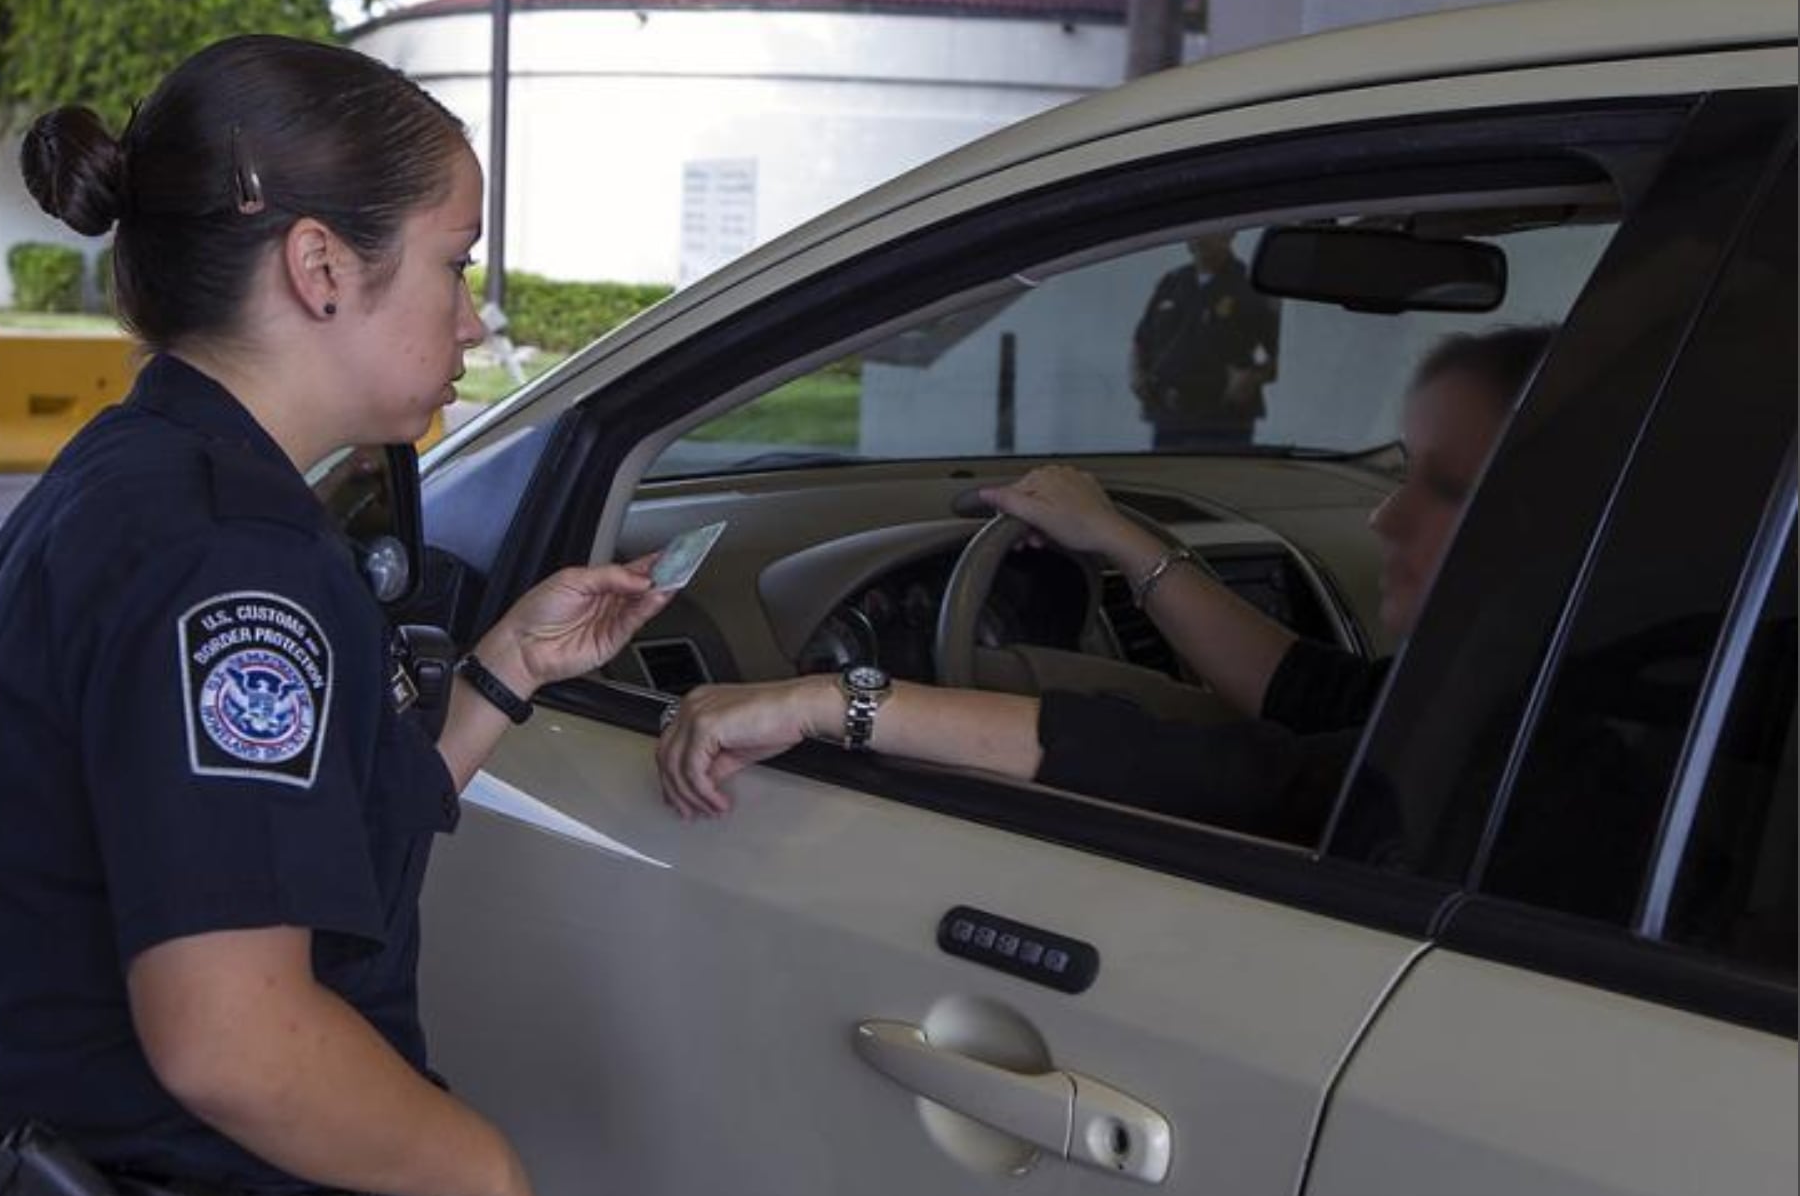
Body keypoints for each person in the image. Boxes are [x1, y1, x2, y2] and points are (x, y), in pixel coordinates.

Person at [0, 36, 673, 1196]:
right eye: (456, 260)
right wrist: (480, 1164)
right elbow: (236, 1042)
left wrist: (500, 673)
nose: (474, 316)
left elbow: (268, 824)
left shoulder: (142, 476)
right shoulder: (229, 557)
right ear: (321, 266)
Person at [655, 326, 1553, 844]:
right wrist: (1121, 538)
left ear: (1568, 524)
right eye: (1400, 472)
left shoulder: (1572, 751)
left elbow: (1254, 779)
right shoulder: (1526, 688)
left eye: (1445, 488)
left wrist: (834, 699)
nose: (1382, 518)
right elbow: (1318, 696)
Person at [1130, 232, 1280, 449]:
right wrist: (1136, 373)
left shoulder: (1250, 286)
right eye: (1195, 231)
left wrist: (1252, 377)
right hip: (1168, 417)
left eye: (1211, 231)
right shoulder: (1173, 282)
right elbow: (1141, 340)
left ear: (1230, 234)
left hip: (1223, 421)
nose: (1199, 238)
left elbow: (1282, 353)